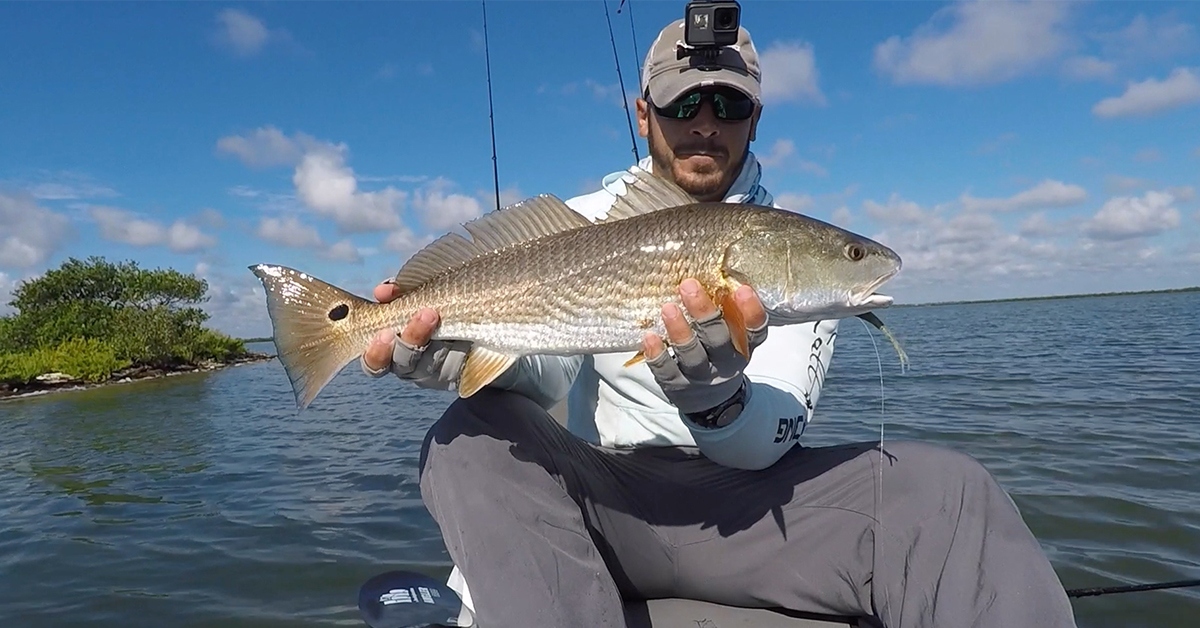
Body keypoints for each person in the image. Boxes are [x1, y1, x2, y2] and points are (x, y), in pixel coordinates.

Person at [360, 18, 1077, 628]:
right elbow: (550, 367)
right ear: (645, 115)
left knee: (952, 488)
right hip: (599, 503)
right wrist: (474, 357)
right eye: (684, 103)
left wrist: (714, 396)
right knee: (466, 436)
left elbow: (770, 437)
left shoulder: (779, 240)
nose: (705, 121)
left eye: (728, 105)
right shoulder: (579, 223)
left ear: (755, 119)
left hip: (753, 514)